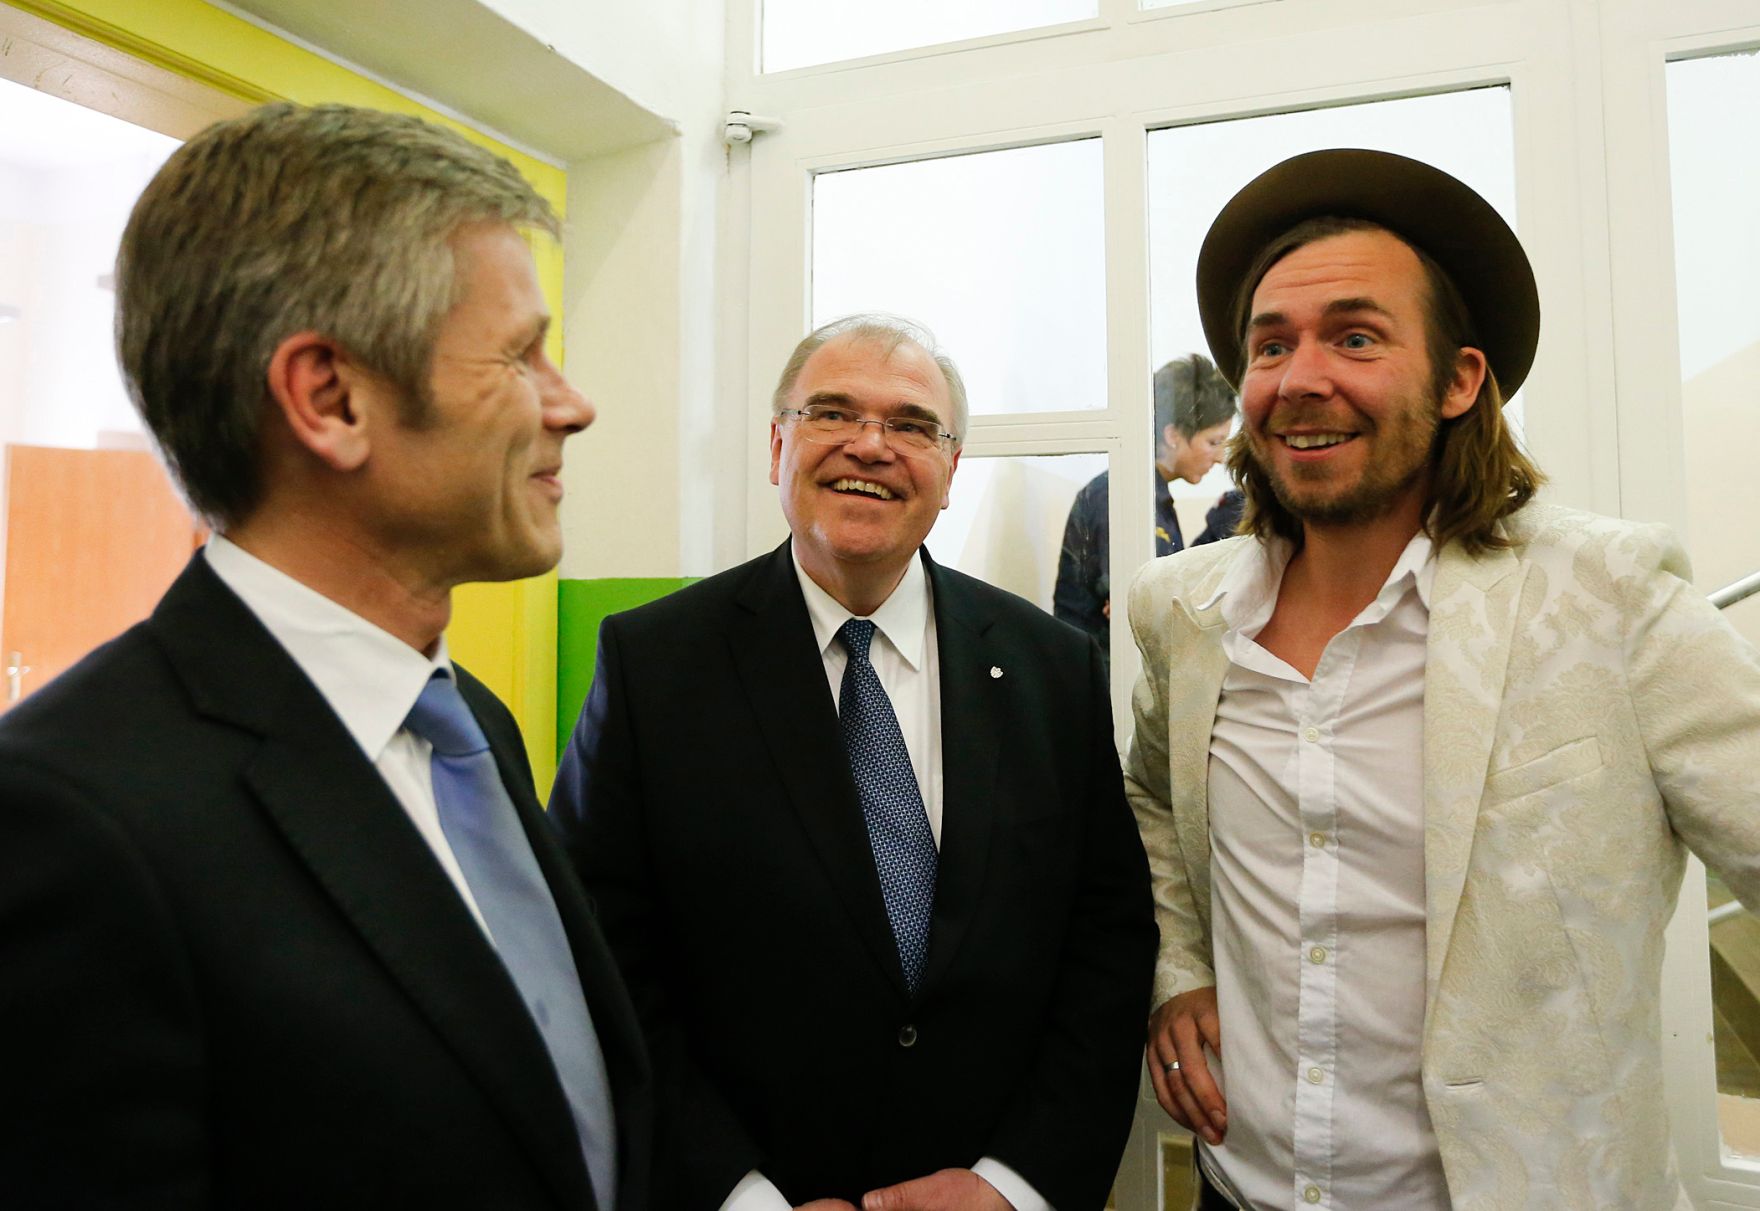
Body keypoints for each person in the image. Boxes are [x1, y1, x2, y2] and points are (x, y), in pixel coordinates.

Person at [0, 103, 650, 1209]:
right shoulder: (67, 816)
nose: (572, 404)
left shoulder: (470, 724)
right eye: (520, 353)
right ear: (330, 398)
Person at [1125, 148, 1760, 1210]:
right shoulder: (1178, 616)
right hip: (1241, 1189)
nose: (1299, 376)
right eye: (1269, 344)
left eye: (1355, 336)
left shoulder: (1608, 597)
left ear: (1459, 379)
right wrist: (1180, 964)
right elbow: (1152, 797)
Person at [551, 314, 1155, 1211]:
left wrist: (1015, 1185)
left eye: (912, 424)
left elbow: (1105, 940)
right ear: (776, 446)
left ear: (951, 470)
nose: (870, 446)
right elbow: (597, 957)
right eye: (832, 413)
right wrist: (739, 1196)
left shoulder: (1052, 667)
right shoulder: (654, 665)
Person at [1053, 354, 1238, 655]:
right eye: (1214, 442)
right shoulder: (1121, 495)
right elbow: (1141, 609)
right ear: (1173, 435)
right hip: (1102, 680)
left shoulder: (1153, 496)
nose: (1219, 458)